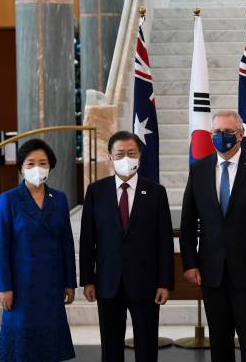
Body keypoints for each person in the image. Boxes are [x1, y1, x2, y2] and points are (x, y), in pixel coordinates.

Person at [180, 110, 246, 362]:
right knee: (219, 342)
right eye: (216, 132)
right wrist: (189, 263)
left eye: (227, 132)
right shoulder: (199, 170)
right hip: (212, 273)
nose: (221, 137)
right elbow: (187, 222)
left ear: (240, 134)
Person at [79, 131, 174, 362]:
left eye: (131, 153)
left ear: (140, 156)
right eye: (120, 154)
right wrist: (87, 279)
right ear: (110, 158)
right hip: (107, 282)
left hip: (146, 283)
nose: (126, 158)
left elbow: (164, 241)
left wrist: (165, 282)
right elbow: (87, 239)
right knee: (111, 348)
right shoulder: (96, 191)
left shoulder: (156, 192)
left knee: (147, 346)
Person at [0, 138, 77, 361]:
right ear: (21, 167)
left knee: (50, 347)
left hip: (51, 286)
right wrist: (4, 286)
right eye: (30, 163)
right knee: (21, 348)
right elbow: (1, 247)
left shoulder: (59, 199)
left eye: (42, 162)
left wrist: (70, 282)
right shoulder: (9, 199)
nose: (36, 168)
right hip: (21, 287)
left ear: (50, 166)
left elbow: (66, 243)